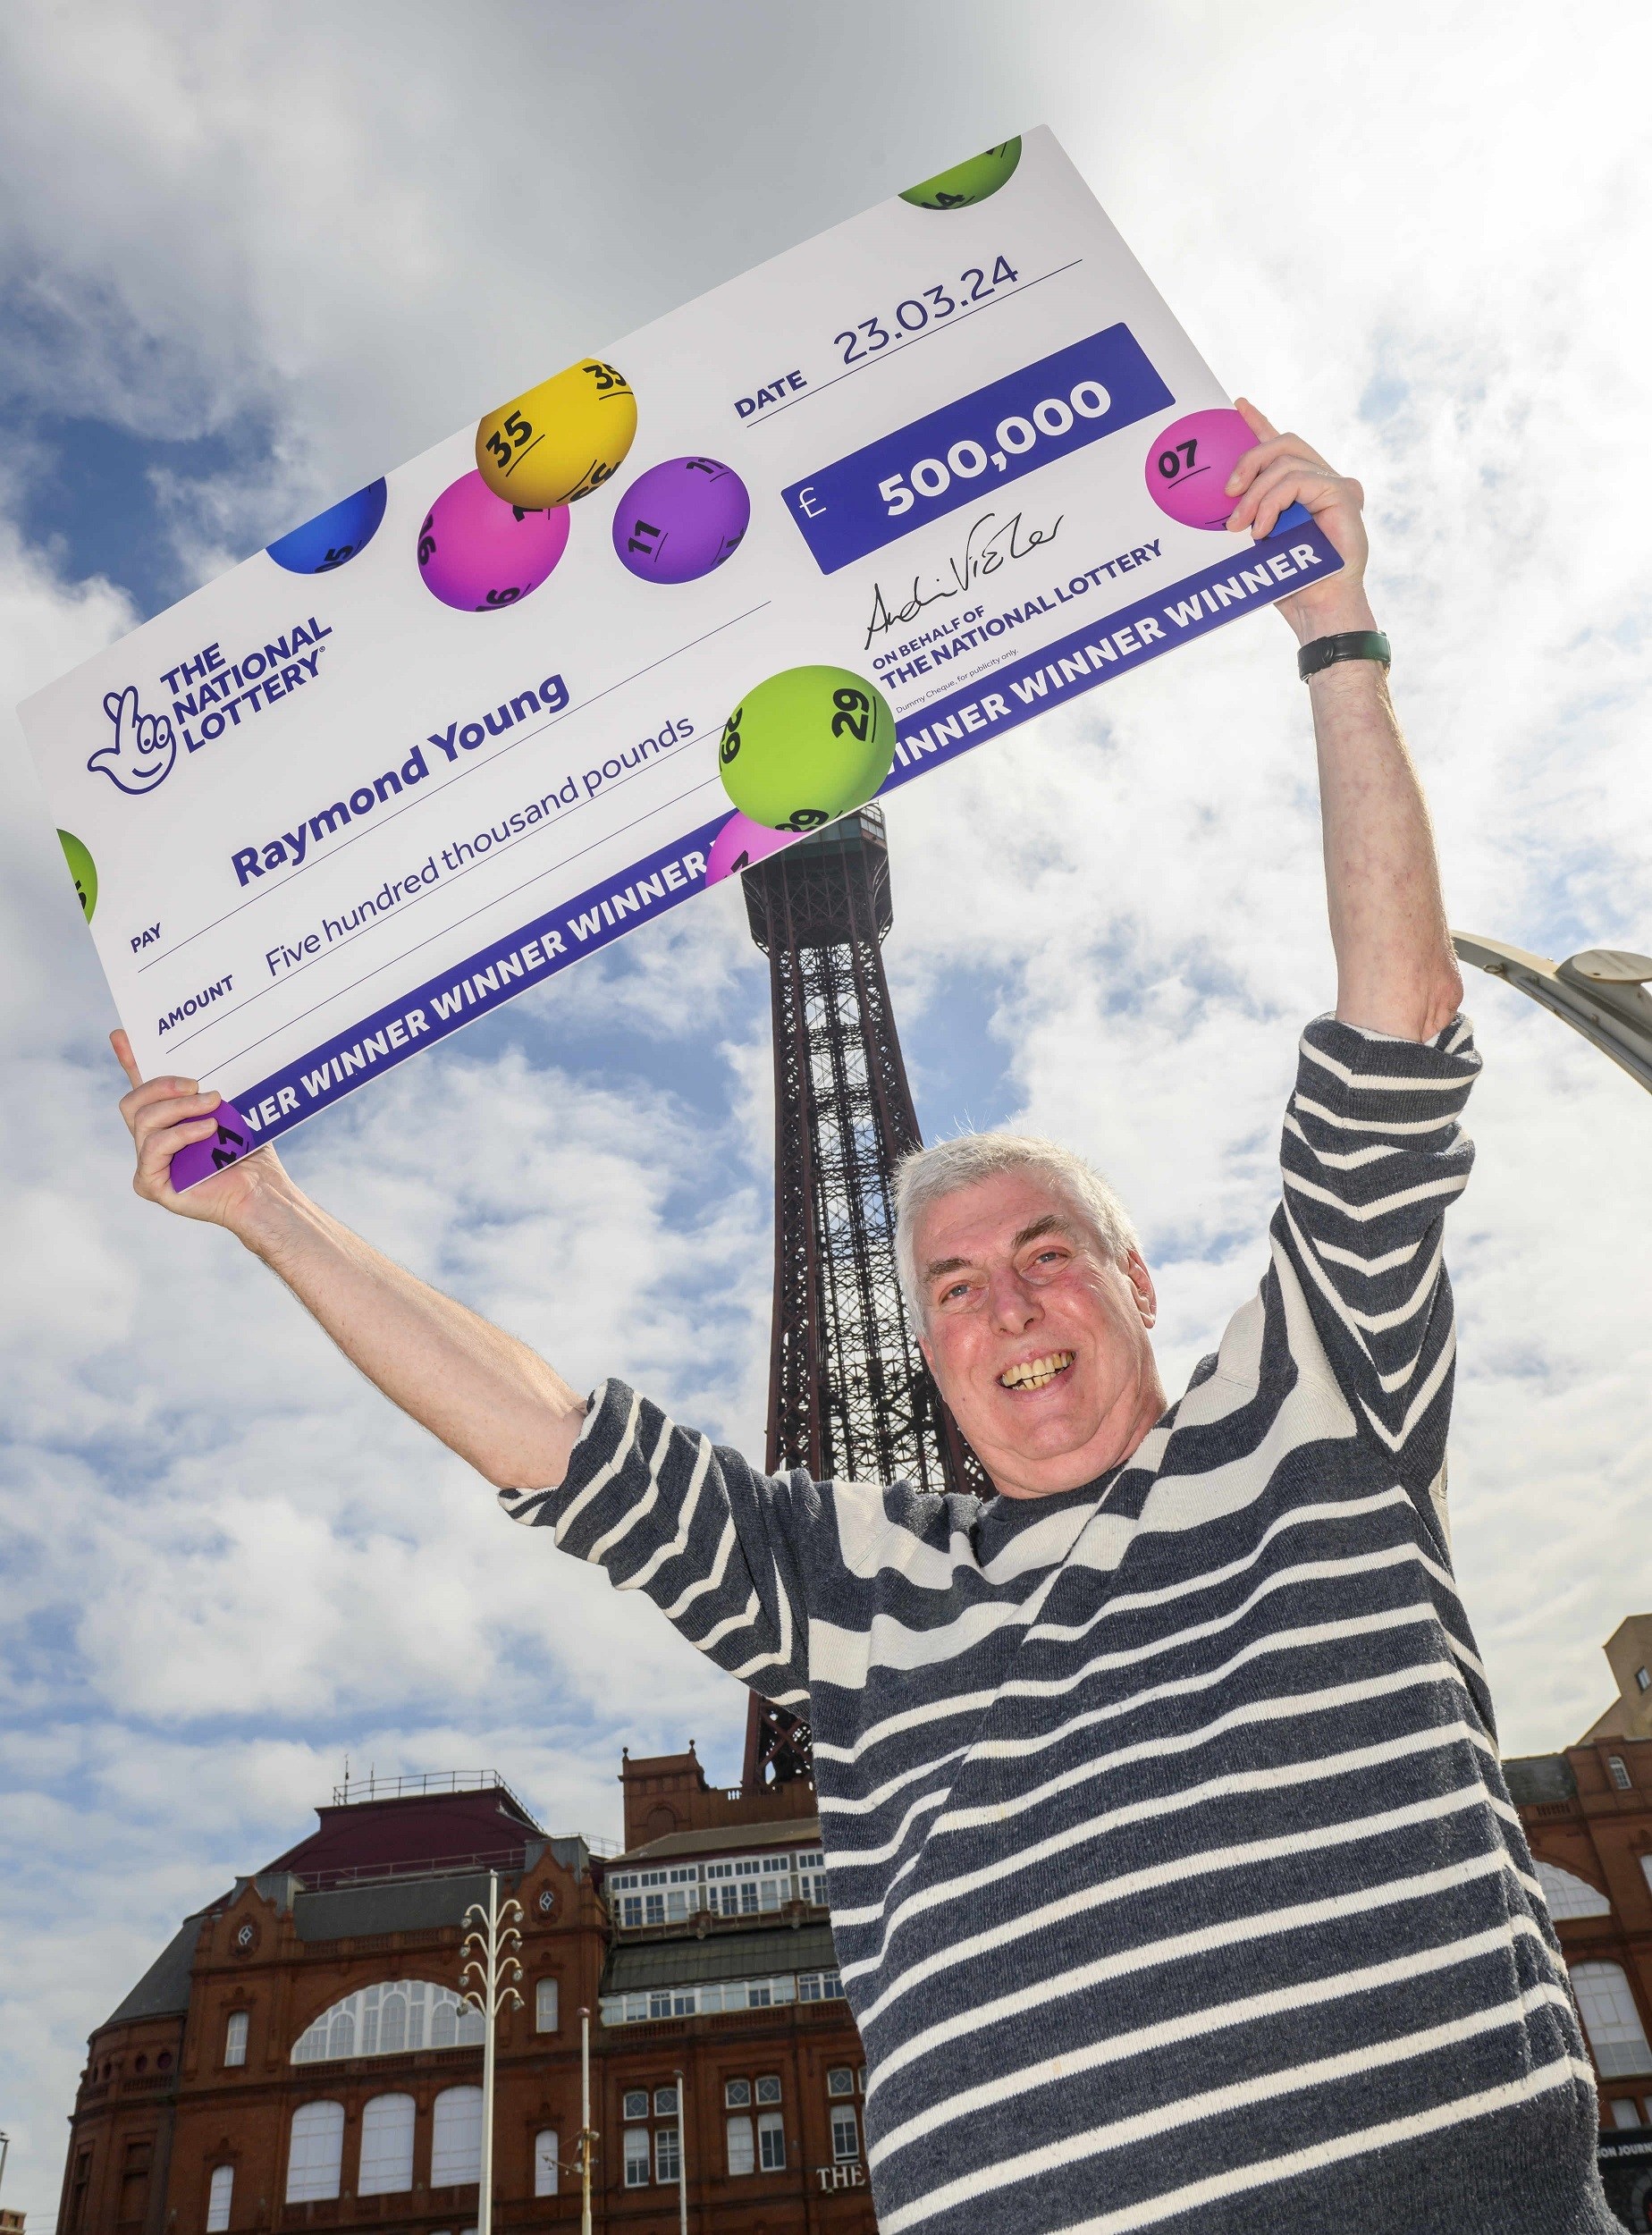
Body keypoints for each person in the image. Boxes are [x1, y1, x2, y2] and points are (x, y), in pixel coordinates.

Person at [114, 403, 1615, 2235]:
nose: (1011, 1303)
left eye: (1050, 1249)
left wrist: (1332, 634)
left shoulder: (1315, 1413)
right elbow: (555, 1443)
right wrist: (265, 1208)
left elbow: (1394, 1038)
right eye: (957, 1286)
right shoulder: (851, 1585)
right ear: (918, 1347)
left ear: (1138, 1279)